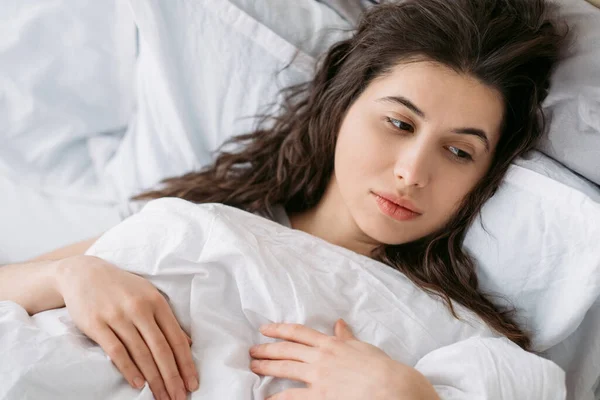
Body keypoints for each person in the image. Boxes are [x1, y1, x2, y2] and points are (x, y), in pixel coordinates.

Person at [0, 0, 567, 399]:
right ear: (345, 101)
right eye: (398, 122)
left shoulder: (453, 332)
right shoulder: (204, 222)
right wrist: (71, 275)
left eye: (460, 152)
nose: (412, 171)